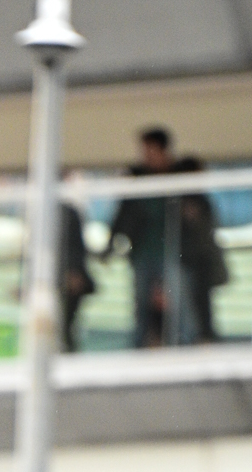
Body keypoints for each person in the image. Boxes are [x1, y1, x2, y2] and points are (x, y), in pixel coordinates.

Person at [106, 126, 182, 348]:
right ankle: (140, 348)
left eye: (151, 150)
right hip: (143, 255)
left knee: (175, 307)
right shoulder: (137, 178)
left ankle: (178, 349)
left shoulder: (178, 177)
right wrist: (110, 245)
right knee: (142, 306)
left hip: (172, 255)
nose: (146, 156)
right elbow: (123, 215)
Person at [176, 156, 227, 344]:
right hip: (188, 265)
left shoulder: (202, 202)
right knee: (191, 309)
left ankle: (204, 340)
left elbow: (208, 233)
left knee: (202, 307)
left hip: (201, 265)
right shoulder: (181, 203)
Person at [58, 192, 95, 351]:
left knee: (65, 328)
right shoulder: (56, 212)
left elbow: (76, 247)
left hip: (67, 280)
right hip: (61, 279)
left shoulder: (67, 213)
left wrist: (74, 272)